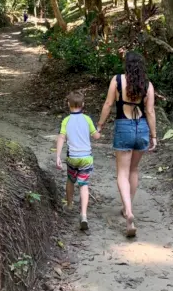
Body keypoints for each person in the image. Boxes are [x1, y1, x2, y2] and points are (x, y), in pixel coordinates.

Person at [97, 51, 157, 238]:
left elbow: (108, 104)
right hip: (142, 129)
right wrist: (154, 136)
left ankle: (128, 211)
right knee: (134, 171)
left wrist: (100, 125)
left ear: (126, 65)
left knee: (122, 173)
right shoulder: (147, 85)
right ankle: (127, 208)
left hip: (124, 127)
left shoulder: (117, 81)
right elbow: (150, 111)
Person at [56, 91, 101, 231]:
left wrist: (58, 156)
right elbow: (96, 137)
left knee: (70, 180)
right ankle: (83, 214)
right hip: (86, 157)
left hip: (72, 157)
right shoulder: (87, 119)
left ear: (68, 104)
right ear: (83, 105)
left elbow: (61, 137)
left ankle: (69, 204)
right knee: (84, 185)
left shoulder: (66, 120)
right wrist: (99, 129)